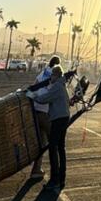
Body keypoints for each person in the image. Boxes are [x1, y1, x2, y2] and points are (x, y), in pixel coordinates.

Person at [27, 64, 70, 192]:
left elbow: (44, 99)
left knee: (53, 148)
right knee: (60, 148)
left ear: (56, 75)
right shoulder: (62, 85)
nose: (50, 77)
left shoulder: (56, 86)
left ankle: (54, 180)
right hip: (63, 117)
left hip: (58, 119)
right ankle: (61, 178)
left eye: (52, 75)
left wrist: (32, 95)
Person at [28, 55, 61, 179]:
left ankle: (36, 170)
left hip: (35, 110)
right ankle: (56, 173)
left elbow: (34, 86)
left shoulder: (43, 73)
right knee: (54, 141)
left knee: (42, 142)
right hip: (45, 112)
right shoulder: (55, 77)